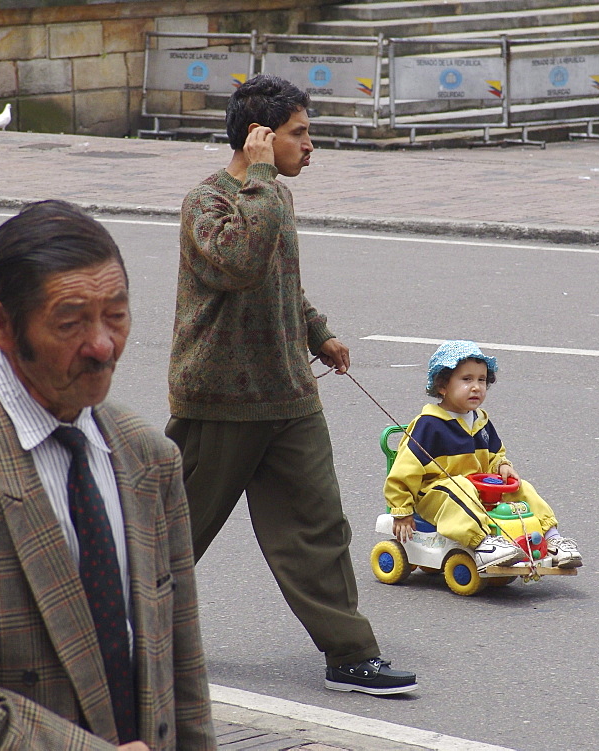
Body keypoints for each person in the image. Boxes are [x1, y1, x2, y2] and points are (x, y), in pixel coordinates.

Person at [0, 200, 215, 750]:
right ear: (2, 324)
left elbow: (181, 667)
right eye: (71, 322)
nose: (103, 345)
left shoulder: (148, 457)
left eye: (117, 315)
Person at [165, 74, 417, 696]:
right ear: (258, 137)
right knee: (170, 535)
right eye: (298, 133)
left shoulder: (269, 196)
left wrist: (317, 333)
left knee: (319, 528)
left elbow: (280, 280)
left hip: (287, 396)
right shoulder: (210, 203)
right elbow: (241, 263)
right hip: (220, 401)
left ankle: (351, 655)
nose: (310, 146)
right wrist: (257, 180)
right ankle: (109, 630)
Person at [385, 340, 584, 571]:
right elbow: (402, 472)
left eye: (481, 380)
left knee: (520, 486)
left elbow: (494, 453)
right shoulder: (429, 425)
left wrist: (502, 465)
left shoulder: (480, 421)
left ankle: (552, 537)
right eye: (466, 379)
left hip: (476, 489)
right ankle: (482, 543)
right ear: (442, 385)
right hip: (436, 495)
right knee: (459, 486)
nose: (477, 387)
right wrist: (401, 511)